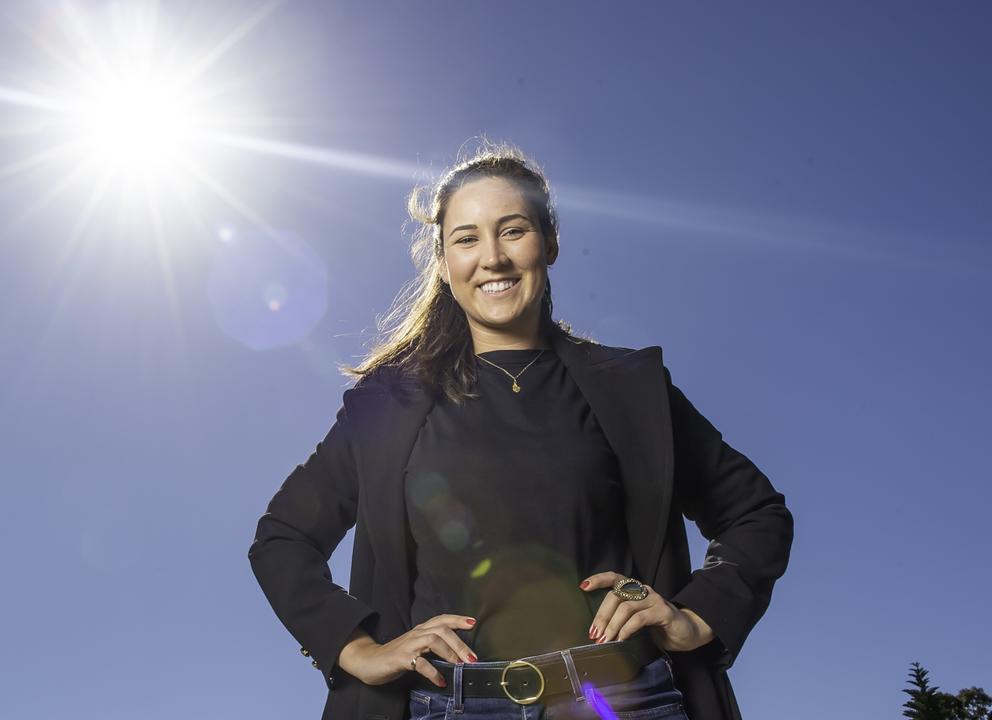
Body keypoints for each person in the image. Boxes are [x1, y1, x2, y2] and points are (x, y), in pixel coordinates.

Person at [248, 140, 794, 720]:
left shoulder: (632, 390)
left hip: (625, 702)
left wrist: (696, 617)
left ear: (549, 242)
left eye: (513, 231)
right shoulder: (386, 407)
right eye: (466, 238)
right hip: (447, 707)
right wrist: (356, 648)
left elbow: (757, 514)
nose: (492, 258)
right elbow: (282, 539)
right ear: (443, 261)